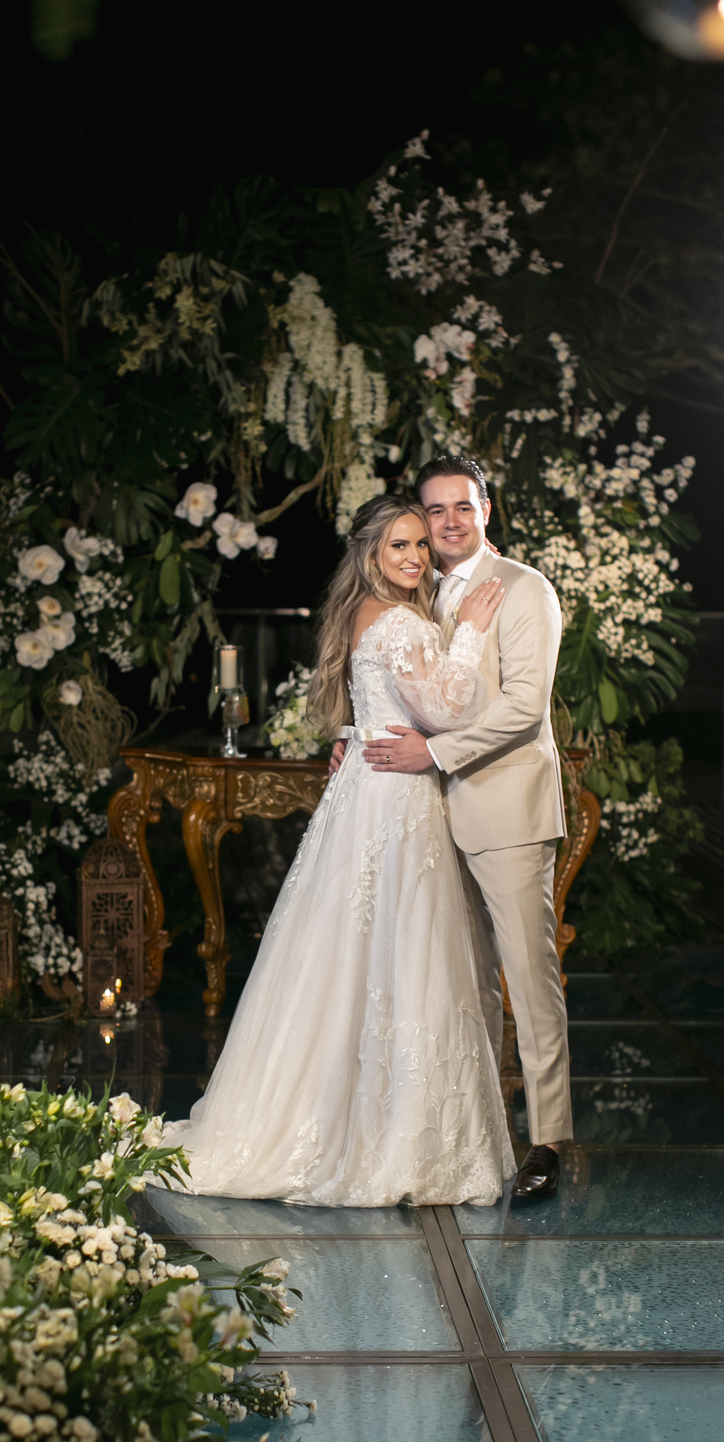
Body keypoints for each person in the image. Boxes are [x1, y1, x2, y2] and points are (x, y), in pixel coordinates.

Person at [166, 493, 514, 1208]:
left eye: (420, 544)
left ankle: (350, 1114)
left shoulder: (367, 613)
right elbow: (448, 708)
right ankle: (388, 1137)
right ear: (371, 554)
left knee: (356, 956)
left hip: (369, 789)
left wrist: (351, 737)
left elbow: (382, 707)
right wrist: (472, 635)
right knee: (402, 952)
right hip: (395, 801)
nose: (415, 557)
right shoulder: (398, 621)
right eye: (399, 546)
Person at [334, 455, 572, 1201]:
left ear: (486, 510)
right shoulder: (420, 589)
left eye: (462, 507)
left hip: (504, 808)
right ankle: (482, 1127)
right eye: (434, 510)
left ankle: (550, 1140)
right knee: (462, 982)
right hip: (428, 820)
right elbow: (399, 681)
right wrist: (354, 733)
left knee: (528, 976)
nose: (447, 522)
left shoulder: (525, 589)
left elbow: (525, 706)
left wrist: (432, 753)